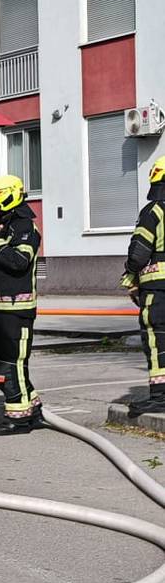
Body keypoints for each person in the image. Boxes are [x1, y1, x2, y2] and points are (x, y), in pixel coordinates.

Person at [0, 174, 43, 436]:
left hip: (17, 312)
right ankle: (33, 408)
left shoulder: (25, 227)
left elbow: (18, 261)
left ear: (6, 199)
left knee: (12, 364)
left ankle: (17, 419)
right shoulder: (3, 226)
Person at [120, 157, 165, 413]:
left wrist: (130, 276)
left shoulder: (154, 211)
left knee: (157, 340)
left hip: (157, 290)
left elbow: (138, 253)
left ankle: (160, 396)